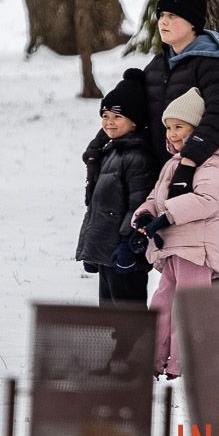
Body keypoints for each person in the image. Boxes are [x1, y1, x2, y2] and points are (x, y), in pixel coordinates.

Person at [131, 87, 219, 378]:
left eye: (179, 127)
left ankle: (182, 363)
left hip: (198, 251)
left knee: (188, 309)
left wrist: (168, 216)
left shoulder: (214, 164)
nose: (171, 134)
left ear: (198, 130)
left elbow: (207, 201)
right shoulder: (174, 164)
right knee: (162, 304)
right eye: (168, 127)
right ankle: (154, 359)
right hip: (174, 247)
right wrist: (146, 215)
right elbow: (155, 197)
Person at [141, 0, 219, 276]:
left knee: (208, 256)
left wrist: (190, 161)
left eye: (172, 15)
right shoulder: (158, 65)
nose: (163, 21)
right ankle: (178, 319)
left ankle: (217, 318)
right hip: (169, 169)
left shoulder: (212, 64)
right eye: (161, 14)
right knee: (176, 257)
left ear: (193, 23)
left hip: (206, 171)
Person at [75, 69, 156, 308]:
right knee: (109, 315)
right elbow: (97, 208)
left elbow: (138, 206)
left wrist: (129, 246)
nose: (109, 122)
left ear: (135, 121)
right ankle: (118, 347)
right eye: (105, 116)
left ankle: (134, 347)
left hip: (124, 255)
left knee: (128, 318)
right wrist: (92, 251)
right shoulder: (110, 153)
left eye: (117, 117)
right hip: (107, 255)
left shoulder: (137, 158)